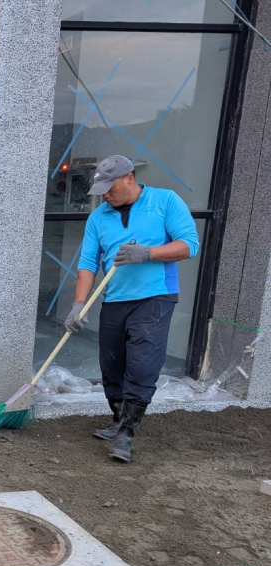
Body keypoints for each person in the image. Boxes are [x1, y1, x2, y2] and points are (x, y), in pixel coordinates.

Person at [64, 155, 199, 463]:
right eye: (101, 191)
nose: (105, 196)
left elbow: (189, 245)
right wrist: (79, 303)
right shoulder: (98, 217)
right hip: (115, 299)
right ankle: (117, 419)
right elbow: (87, 264)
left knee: (142, 365)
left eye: (109, 188)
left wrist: (148, 253)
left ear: (129, 178)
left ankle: (127, 432)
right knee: (111, 364)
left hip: (155, 298)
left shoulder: (165, 201)